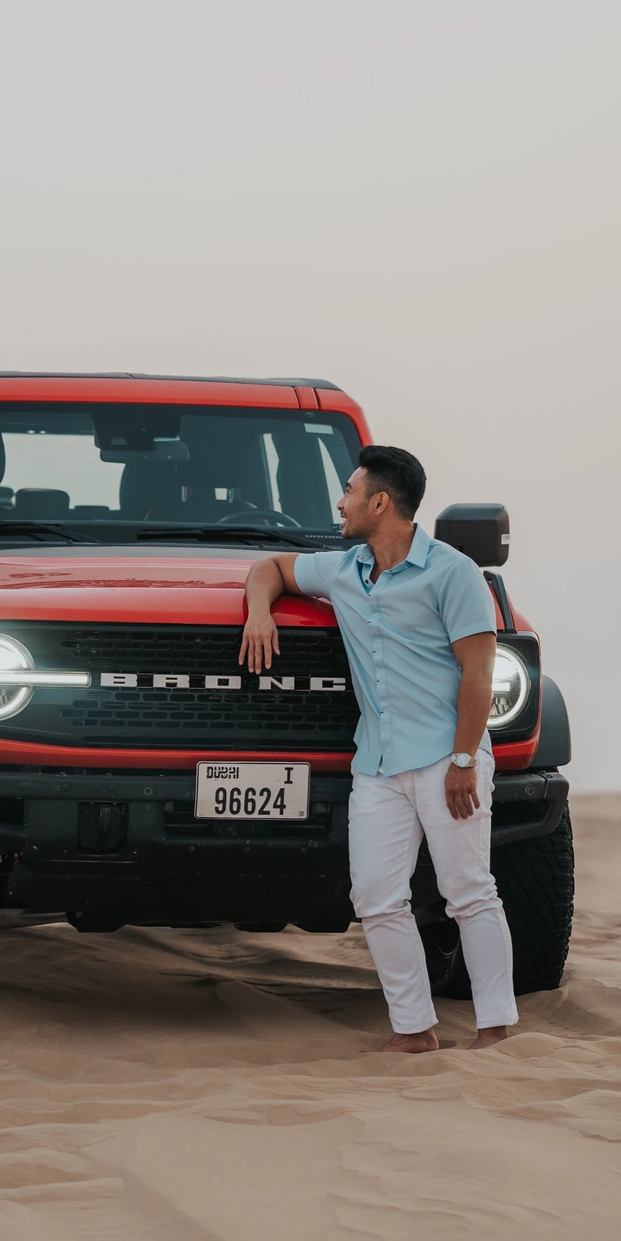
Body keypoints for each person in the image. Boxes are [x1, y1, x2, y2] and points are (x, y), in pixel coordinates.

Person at [240, 444, 517, 1054]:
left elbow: (479, 673)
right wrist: (259, 613)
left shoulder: (454, 572)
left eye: (349, 490)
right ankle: (414, 1030)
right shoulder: (344, 569)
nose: (340, 501)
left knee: (468, 891)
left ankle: (496, 1027)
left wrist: (465, 760)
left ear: (380, 501)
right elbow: (272, 567)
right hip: (378, 765)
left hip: (450, 758)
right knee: (374, 896)